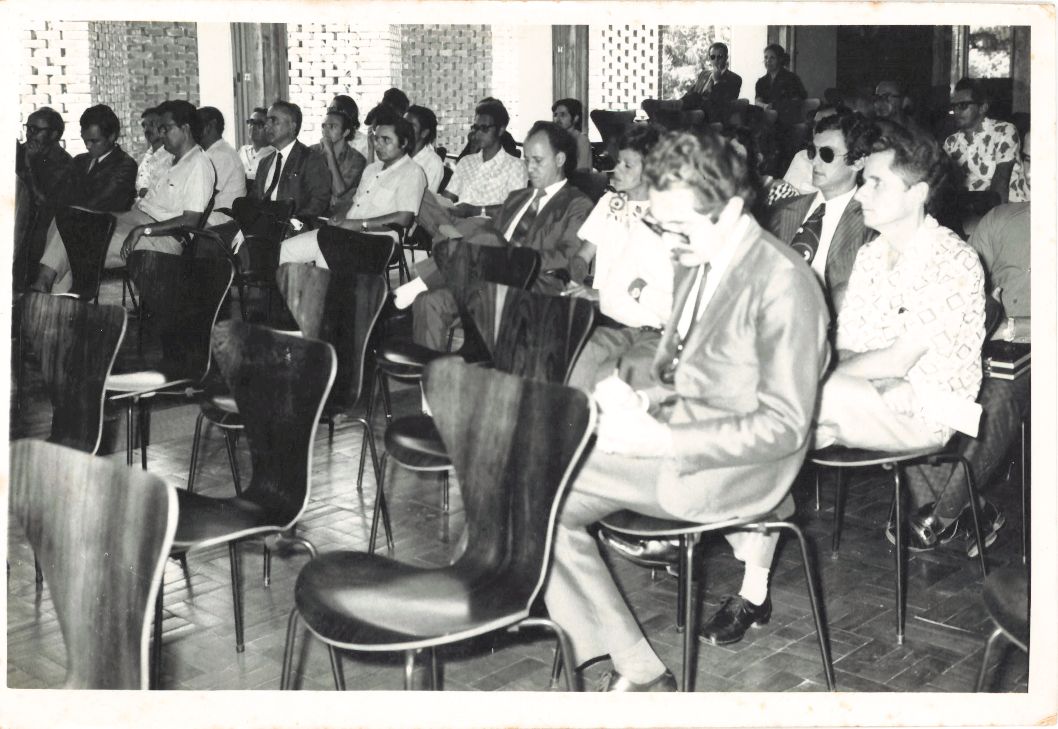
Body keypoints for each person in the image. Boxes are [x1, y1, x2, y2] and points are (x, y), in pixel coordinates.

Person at [543, 128, 829, 691]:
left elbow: (786, 425)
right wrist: (640, 401)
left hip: (742, 468)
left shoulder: (784, 284)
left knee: (542, 485)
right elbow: (679, 373)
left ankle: (628, 665)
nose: (670, 243)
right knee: (541, 486)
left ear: (733, 210)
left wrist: (664, 440)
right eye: (660, 226)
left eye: (679, 227)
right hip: (684, 435)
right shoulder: (701, 255)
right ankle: (633, 666)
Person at [396, 121, 593, 351]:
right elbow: (492, 235)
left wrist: (513, 258)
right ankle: (428, 374)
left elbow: (569, 258)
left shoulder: (577, 203)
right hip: (486, 277)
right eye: (527, 160)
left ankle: (422, 280)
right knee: (428, 301)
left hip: (528, 285)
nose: (530, 168)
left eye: (538, 161)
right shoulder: (517, 197)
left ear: (560, 159)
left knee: (485, 235)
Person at [901, 202, 1029, 556]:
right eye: (1028, 169)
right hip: (988, 344)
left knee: (997, 397)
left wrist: (1014, 327)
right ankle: (973, 509)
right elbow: (961, 284)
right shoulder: (1002, 219)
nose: (1033, 176)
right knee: (917, 386)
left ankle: (940, 516)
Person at [32, 99, 216, 293]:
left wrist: (144, 230)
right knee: (68, 218)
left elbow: (191, 220)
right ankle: (51, 293)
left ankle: (47, 290)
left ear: (185, 128)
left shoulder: (198, 164)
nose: (161, 134)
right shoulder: (170, 160)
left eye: (166, 129)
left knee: (75, 238)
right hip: (136, 220)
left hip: (160, 239)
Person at [566, 124, 672, 393]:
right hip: (607, 316)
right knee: (572, 359)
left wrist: (597, 293)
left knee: (609, 376)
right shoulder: (610, 204)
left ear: (651, 169)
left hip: (647, 322)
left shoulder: (667, 215)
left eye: (628, 165)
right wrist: (573, 280)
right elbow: (583, 255)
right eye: (618, 162)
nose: (617, 170)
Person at [278, 107, 427, 269]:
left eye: (386, 140)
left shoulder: (412, 172)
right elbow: (355, 203)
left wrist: (358, 224)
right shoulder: (372, 169)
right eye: (376, 139)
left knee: (326, 253)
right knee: (283, 251)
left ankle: (324, 285)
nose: (378, 145)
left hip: (380, 242)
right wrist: (341, 216)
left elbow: (403, 218)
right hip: (347, 234)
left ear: (404, 143)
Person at [414, 99, 527, 243]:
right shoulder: (466, 161)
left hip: (487, 224)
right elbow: (447, 198)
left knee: (478, 230)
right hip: (454, 220)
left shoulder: (516, 166)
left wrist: (474, 210)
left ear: (500, 130)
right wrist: (441, 203)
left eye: (484, 128)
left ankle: (449, 239)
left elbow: (513, 209)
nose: (478, 133)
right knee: (419, 194)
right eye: (476, 127)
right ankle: (452, 238)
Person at [943, 77, 1029, 204]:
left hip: (1009, 207)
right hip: (970, 209)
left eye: (963, 105)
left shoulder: (1003, 131)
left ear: (982, 107)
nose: (956, 111)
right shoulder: (950, 143)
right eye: (954, 106)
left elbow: (1001, 184)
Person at [14, 107, 72, 289]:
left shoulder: (64, 164)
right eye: (28, 128)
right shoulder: (22, 152)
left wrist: (28, 165)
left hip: (43, 228)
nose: (30, 134)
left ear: (54, 134)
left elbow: (42, 202)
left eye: (36, 130)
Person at [251, 100, 331, 226]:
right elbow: (254, 200)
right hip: (261, 227)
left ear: (292, 127)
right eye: (267, 120)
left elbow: (319, 201)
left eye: (273, 120)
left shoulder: (310, 159)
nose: (267, 125)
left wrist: (292, 223)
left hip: (295, 229)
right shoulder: (264, 163)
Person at [311, 108, 367, 218]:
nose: (326, 130)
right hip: (312, 212)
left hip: (339, 217)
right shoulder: (312, 151)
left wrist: (330, 154)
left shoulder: (356, 159)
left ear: (345, 132)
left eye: (332, 126)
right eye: (324, 126)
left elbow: (338, 191)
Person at [196, 106, 247, 225]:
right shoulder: (208, 153)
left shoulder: (223, 154)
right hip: (207, 217)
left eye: (196, 125)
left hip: (220, 221)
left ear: (210, 126)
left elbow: (202, 195)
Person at [782, 103, 843, 194]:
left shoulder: (844, 161)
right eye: (816, 125)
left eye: (827, 125)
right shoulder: (802, 157)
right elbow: (786, 195)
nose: (817, 130)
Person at [682, 41, 743, 107]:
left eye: (720, 56)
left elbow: (721, 104)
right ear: (709, 58)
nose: (716, 60)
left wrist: (717, 81)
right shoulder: (704, 74)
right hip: (692, 109)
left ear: (726, 57)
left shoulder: (735, 79)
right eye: (713, 57)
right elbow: (689, 94)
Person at [405, 104, 445, 193]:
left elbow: (423, 198)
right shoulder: (397, 153)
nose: (403, 128)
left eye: (410, 126)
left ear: (424, 133)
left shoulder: (433, 163)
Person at [135, 106, 174, 199]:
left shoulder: (171, 157)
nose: (146, 130)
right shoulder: (144, 157)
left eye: (152, 124)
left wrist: (146, 193)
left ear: (163, 128)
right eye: (144, 125)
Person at [754, 43, 807, 107]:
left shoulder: (792, 78)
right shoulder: (761, 82)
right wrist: (764, 106)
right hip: (766, 111)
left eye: (772, 58)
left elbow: (797, 100)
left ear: (780, 59)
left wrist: (775, 107)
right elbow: (758, 101)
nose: (768, 61)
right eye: (766, 57)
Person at [552, 98, 593, 171]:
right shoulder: (552, 138)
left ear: (575, 118)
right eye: (555, 115)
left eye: (563, 115)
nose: (557, 119)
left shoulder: (581, 140)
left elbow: (582, 171)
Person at [238, 107, 275, 185]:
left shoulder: (274, 154)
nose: (253, 127)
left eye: (259, 124)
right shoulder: (242, 151)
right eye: (251, 122)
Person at [328, 95, 370, 160]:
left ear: (345, 113)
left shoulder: (364, 143)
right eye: (329, 109)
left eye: (332, 109)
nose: (328, 113)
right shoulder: (330, 138)